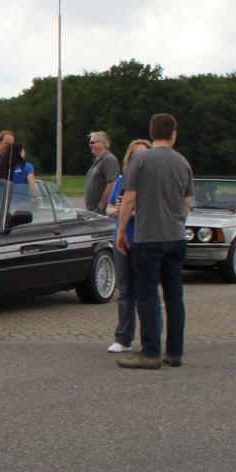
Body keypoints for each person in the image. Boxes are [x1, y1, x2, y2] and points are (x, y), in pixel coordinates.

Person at [115, 113, 194, 370]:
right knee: (174, 296)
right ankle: (175, 352)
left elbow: (128, 199)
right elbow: (187, 204)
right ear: (174, 134)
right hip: (175, 236)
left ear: (151, 133)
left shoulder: (140, 160)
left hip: (148, 237)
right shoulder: (183, 163)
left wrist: (122, 232)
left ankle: (150, 352)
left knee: (147, 293)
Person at [104, 138, 151, 354]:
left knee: (146, 291)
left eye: (143, 156)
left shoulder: (152, 182)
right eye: (135, 156)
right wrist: (116, 211)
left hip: (145, 239)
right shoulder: (122, 181)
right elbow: (110, 207)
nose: (138, 160)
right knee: (124, 290)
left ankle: (149, 339)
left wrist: (130, 212)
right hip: (122, 239)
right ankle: (123, 337)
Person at [84, 130, 121, 212]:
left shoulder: (109, 159)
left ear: (103, 143)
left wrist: (100, 207)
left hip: (102, 212)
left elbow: (112, 184)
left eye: (92, 142)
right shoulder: (97, 161)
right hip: (93, 211)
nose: (90, 145)